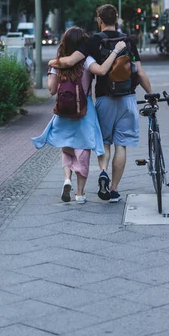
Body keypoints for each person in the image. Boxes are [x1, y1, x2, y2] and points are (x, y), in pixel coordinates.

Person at [49, 4, 152, 203]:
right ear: (117, 18)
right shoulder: (128, 41)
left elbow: (70, 62)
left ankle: (103, 171)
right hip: (128, 98)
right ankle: (113, 189)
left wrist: (52, 63)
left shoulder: (93, 41)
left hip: (105, 98)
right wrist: (151, 93)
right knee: (121, 145)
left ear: (99, 20)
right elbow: (139, 71)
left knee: (105, 142)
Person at [32, 26, 126, 204]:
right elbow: (101, 71)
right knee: (82, 150)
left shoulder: (56, 63)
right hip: (85, 110)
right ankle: (80, 194)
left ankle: (67, 179)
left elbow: (51, 90)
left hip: (63, 110)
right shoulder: (87, 60)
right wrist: (115, 52)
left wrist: (52, 70)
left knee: (67, 147)